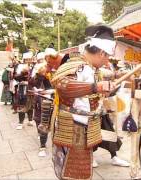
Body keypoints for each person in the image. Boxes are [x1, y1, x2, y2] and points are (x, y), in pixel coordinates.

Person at [51, 25, 117, 180]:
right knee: (72, 171)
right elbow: (62, 85)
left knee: (79, 170)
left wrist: (105, 89)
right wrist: (95, 87)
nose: (107, 61)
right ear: (101, 53)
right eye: (107, 56)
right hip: (73, 126)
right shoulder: (76, 65)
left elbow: (92, 94)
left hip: (84, 125)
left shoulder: (92, 69)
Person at [14, 51, 34, 130]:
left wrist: (29, 81)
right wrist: (23, 73)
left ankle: (30, 120)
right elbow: (15, 77)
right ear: (24, 59)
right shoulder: (19, 66)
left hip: (31, 88)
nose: (29, 60)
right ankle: (20, 123)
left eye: (30, 59)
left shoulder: (34, 66)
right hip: (22, 88)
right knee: (22, 105)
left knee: (31, 105)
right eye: (27, 59)